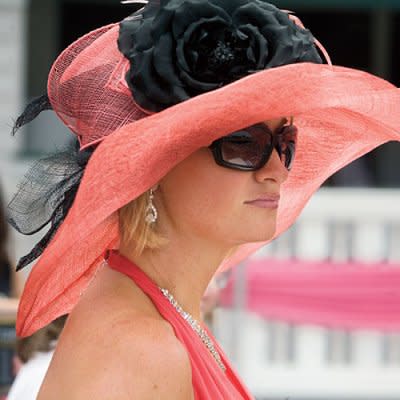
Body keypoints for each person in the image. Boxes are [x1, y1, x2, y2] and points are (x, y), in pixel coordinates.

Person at [7, 0, 400, 398]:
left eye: (285, 143)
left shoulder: (162, 309)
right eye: (245, 145)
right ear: (156, 163)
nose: (278, 171)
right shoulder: (139, 348)